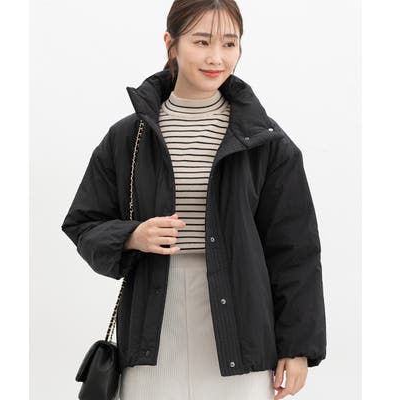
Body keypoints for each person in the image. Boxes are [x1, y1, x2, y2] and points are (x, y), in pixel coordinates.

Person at [61, 1, 327, 399]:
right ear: (171, 44)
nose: (216, 57)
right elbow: (83, 223)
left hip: (240, 324)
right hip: (153, 325)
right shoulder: (128, 137)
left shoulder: (266, 142)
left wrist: (297, 347)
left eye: (229, 43)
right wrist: (132, 236)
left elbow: (295, 251)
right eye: (202, 41)